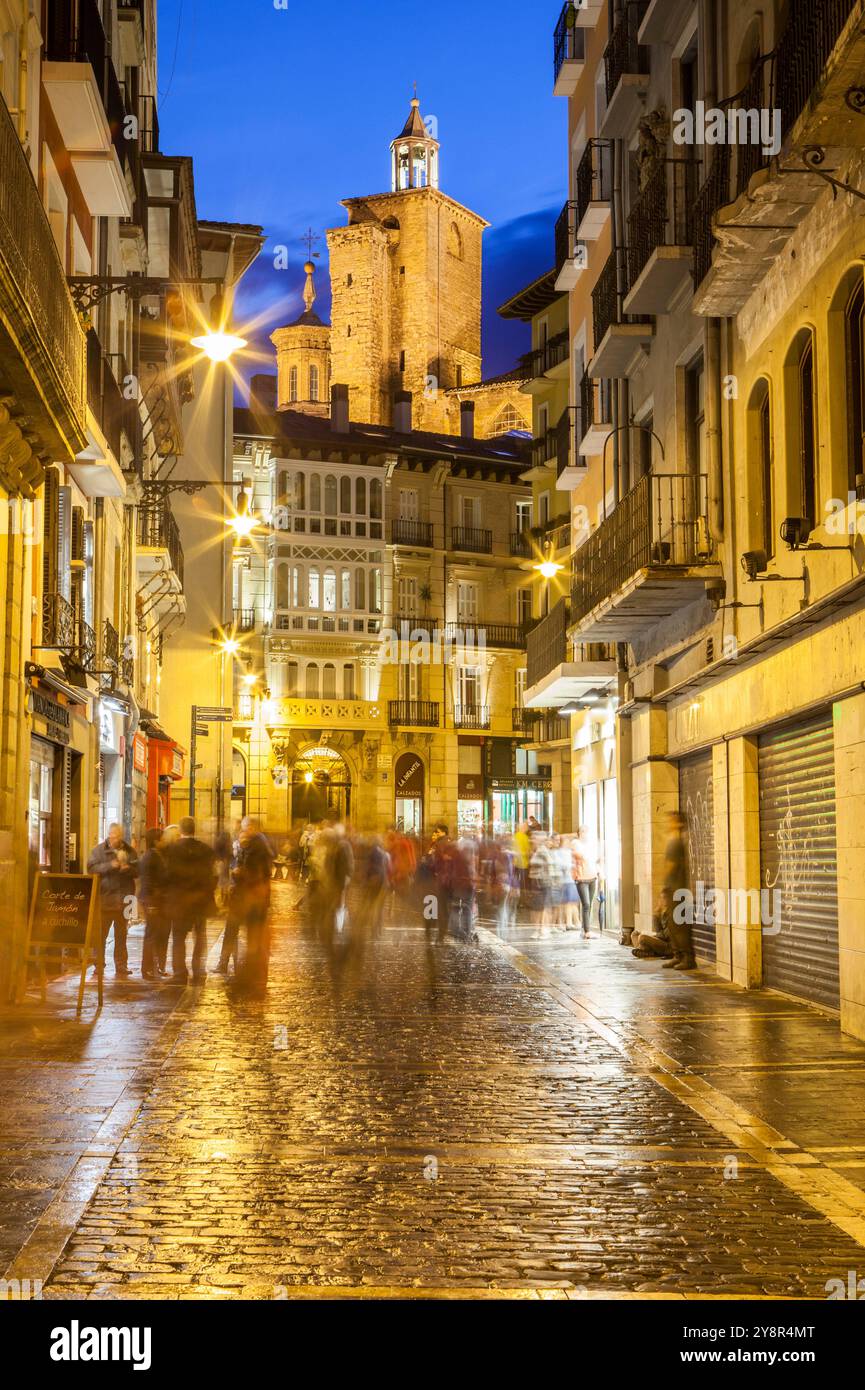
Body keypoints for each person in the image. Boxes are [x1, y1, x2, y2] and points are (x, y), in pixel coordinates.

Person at [164, 817, 216, 985]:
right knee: (200, 936)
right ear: (194, 829)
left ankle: (180, 973)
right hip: (200, 902)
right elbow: (213, 876)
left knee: (178, 938)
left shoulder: (171, 850)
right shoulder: (206, 850)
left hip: (180, 902)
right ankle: (198, 970)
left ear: (180, 830)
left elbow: (167, 876)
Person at [87, 824, 139, 977]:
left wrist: (128, 868)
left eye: (116, 836)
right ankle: (99, 965)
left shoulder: (130, 851)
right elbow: (91, 869)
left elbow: (138, 871)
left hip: (125, 899)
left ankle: (121, 966)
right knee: (101, 934)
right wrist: (111, 865)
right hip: (105, 899)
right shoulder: (98, 851)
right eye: (111, 835)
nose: (113, 838)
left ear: (121, 836)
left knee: (122, 935)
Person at [233, 816, 275, 995]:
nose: (243, 833)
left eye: (244, 829)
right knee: (255, 939)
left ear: (251, 827)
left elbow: (250, 872)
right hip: (257, 898)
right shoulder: (260, 843)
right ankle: (255, 979)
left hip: (255, 898)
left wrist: (237, 872)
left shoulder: (256, 845)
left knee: (255, 940)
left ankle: (255, 981)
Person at [661, 810, 696, 971]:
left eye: (672, 821)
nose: (668, 823)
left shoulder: (675, 842)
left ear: (679, 824)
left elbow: (670, 867)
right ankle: (678, 956)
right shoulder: (674, 841)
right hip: (675, 890)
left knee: (679, 926)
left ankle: (687, 958)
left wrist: (663, 888)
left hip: (676, 890)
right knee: (673, 925)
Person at [139, 828, 169, 978]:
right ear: (156, 841)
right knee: (151, 934)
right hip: (151, 900)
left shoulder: (156, 855)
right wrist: (151, 902)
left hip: (156, 900)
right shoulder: (151, 857)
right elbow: (148, 881)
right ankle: (147, 969)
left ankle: (155, 967)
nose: (164, 841)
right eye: (162, 839)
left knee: (157, 933)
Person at [572, 825, 598, 939]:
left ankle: (584, 929)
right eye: (582, 831)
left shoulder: (591, 845)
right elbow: (580, 856)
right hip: (581, 878)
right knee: (586, 904)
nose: (585, 834)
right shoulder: (575, 843)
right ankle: (587, 931)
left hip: (592, 876)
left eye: (587, 832)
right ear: (579, 833)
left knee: (589, 904)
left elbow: (596, 859)